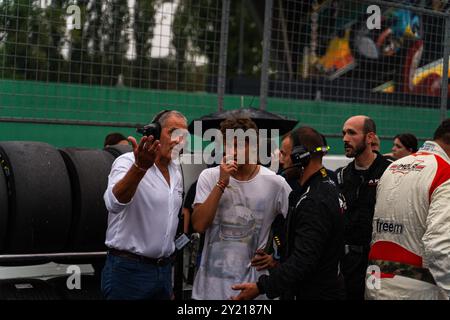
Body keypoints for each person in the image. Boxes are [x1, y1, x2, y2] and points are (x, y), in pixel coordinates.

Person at [231, 127, 345, 300]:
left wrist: (260, 287)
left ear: (301, 157)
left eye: (284, 154)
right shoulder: (325, 185)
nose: (281, 160)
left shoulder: (314, 200)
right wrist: (278, 258)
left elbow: (303, 260)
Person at [191, 117, 291, 300]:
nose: (231, 151)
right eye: (227, 145)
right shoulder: (209, 176)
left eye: (237, 145)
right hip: (210, 289)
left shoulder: (275, 183)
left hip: (254, 289)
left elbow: (299, 225)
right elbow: (199, 225)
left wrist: (277, 257)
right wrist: (221, 183)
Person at [101, 110, 188, 300]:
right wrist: (140, 168)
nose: (178, 140)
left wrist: (166, 279)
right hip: (127, 272)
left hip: (163, 272)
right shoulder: (127, 162)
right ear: (154, 133)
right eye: (172, 132)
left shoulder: (176, 172)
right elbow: (113, 203)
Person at [367, 119, 450, 300]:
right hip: (416, 287)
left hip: (374, 281)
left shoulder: (392, 167)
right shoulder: (444, 173)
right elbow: (440, 248)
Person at [336, 115, 392, 300]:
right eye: (344, 133)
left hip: (377, 263)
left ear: (370, 137)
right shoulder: (341, 176)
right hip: (346, 263)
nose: (345, 139)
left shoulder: (391, 172)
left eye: (352, 133)